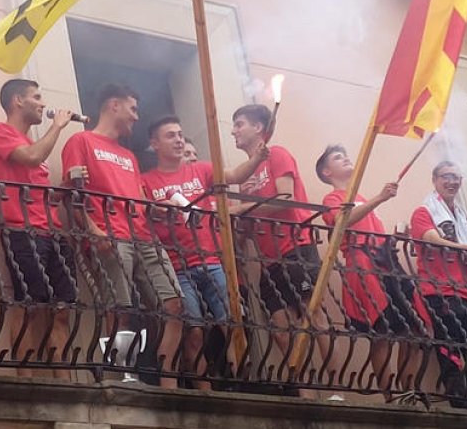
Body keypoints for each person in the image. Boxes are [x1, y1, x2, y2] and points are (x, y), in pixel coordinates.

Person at [61, 84, 183, 389]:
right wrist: (92, 229)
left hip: (144, 237)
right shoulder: (81, 141)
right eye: (132, 108)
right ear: (113, 105)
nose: (136, 117)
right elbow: (72, 194)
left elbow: (138, 198)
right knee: (121, 309)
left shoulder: (129, 156)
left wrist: (159, 208)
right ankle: (124, 376)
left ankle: (168, 384)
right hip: (110, 235)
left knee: (175, 305)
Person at [141, 115, 266, 389]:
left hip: (212, 262)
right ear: (154, 144)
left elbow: (235, 175)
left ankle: (242, 388)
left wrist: (258, 158)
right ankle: (203, 393)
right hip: (176, 266)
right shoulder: (146, 181)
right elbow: (140, 213)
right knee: (193, 333)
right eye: (170, 135)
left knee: (233, 325)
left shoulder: (201, 170)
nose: (178, 139)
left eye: (180, 134)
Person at [229, 104, 336, 395]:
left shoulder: (277, 153)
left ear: (258, 127)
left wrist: (240, 207)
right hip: (268, 259)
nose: (233, 131)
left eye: (240, 124)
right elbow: (251, 224)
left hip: (296, 246)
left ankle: (336, 387)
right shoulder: (246, 176)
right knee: (279, 323)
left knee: (311, 314)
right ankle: (302, 388)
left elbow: (286, 197)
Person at [0, 79, 76, 378]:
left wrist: (67, 186)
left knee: (61, 309)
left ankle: (64, 381)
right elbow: (32, 157)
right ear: (17, 101)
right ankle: (26, 380)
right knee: (30, 305)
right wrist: (57, 126)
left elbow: (41, 191)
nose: (43, 104)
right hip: (22, 231)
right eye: (36, 97)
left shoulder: (34, 146)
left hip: (52, 232)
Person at [315, 145, 421, 396]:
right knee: (381, 331)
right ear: (327, 172)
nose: (346, 158)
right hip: (363, 265)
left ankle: (409, 393)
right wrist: (379, 198)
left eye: (345, 154)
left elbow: (375, 235)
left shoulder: (361, 198)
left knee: (414, 329)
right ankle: (390, 397)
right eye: (338, 158)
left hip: (385, 263)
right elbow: (342, 222)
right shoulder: (332, 198)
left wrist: (395, 238)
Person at [410, 161, 467, 407]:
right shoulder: (423, 212)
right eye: (446, 176)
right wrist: (465, 247)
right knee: (449, 352)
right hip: (440, 292)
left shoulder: (465, 218)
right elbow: (432, 239)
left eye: (456, 177)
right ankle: (460, 408)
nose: (452, 182)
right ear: (435, 179)